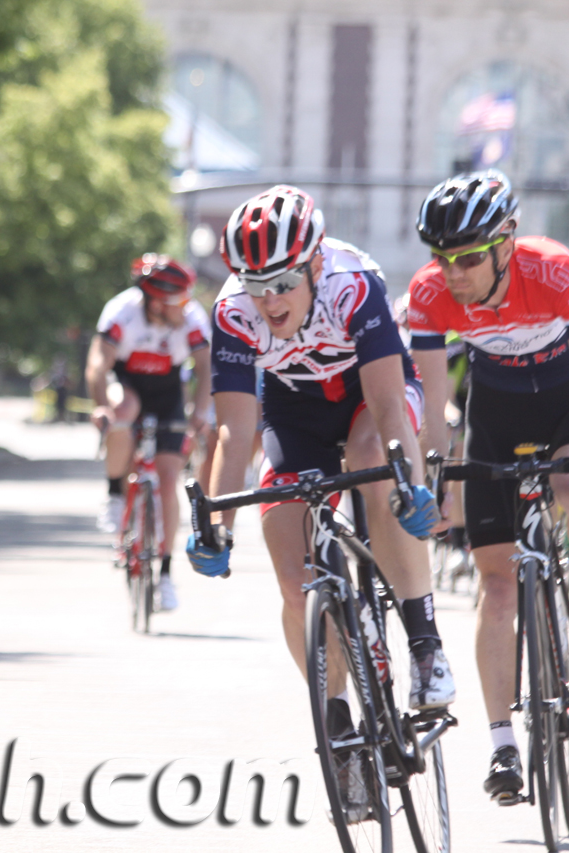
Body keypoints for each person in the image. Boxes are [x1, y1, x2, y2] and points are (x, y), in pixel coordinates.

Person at [186, 186, 453, 807]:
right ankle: (337, 724)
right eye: (255, 283)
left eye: (282, 281)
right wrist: (214, 524)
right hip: (296, 411)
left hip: (370, 396)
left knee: (369, 461)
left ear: (313, 266)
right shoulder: (234, 312)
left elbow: (389, 404)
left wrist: (411, 481)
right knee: (288, 566)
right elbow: (237, 429)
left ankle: (423, 641)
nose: (269, 299)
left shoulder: (353, 283)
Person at [407, 170, 569, 801]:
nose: (454, 273)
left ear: (506, 244)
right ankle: (504, 746)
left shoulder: (556, 272)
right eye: (443, 259)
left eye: (469, 258)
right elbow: (433, 410)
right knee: (498, 585)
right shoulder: (429, 295)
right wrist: (435, 477)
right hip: (496, 411)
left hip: (568, 400)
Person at [86, 254, 211, 612]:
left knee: (170, 478)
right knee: (123, 412)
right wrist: (100, 407)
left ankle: (167, 575)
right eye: (178, 302)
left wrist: (199, 413)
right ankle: (114, 493)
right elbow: (97, 365)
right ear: (156, 301)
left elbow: (204, 366)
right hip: (128, 383)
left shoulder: (190, 320)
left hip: (170, 390)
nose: (186, 308)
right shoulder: (121, 312)